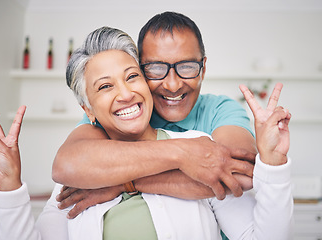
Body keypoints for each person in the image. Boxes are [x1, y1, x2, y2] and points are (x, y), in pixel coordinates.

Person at [0, 26, 293, 240]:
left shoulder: (200, 149)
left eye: (132, 77)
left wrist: (275, 163)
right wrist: (9, 187)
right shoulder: (79, 174)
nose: (126, 94)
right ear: (88, 110)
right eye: (105, 87)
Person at [52, 12, 257, 219]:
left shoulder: (220, 109)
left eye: (186, 67)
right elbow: (68, 163)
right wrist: (184, 154)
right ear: (142, 71)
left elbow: (240, 175)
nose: (173, 85)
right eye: (156, 69)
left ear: (203, 69)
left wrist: (125, 183)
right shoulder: (121, 117)